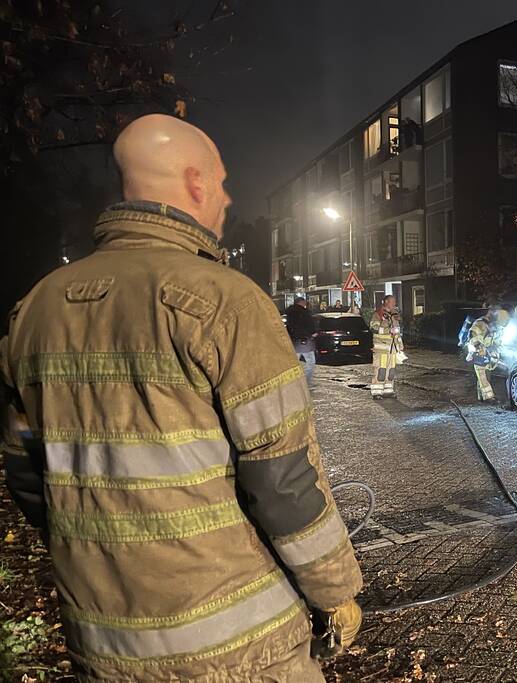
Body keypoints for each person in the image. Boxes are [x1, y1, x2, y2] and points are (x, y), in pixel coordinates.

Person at [0, 114, 362, 681]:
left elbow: (27, 476)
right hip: (240, 647)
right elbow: (281, 481)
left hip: (102, 644)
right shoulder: (223, 302)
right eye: (221, 182)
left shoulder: (33, 311)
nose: (227, 198)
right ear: (195, 182)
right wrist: (335, 591)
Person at [466, 307, 510, 402]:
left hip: (488, 354)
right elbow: (472, 336)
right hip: (479, 353)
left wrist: (496, 349)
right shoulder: (480, 324)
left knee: (485, 375)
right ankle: (489, 397)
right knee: (482, 375)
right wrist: (479, 348)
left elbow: (497, 341)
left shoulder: (496, 327)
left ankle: (481, 397)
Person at [370, 295, 403, 398]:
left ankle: (388, 390)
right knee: (381, 370)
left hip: (393, 348)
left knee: (391, 371)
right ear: (386, 302)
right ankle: (377, 392)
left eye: (395, 301)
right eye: (392, 301)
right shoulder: (378, 314)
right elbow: (374, 328)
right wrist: (388, 330)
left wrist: (400, 344)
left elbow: (397, 331)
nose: (394, 303)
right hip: (382, 348)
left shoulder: (394, 315)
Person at [286, 296, 317, 385]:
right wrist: (313, 333)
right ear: (301, 303)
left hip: (294, 341)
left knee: (293, 363)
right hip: (304, 341)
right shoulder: (304, 312)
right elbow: (310, 324)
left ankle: (292, 382)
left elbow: (289, 327)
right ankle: (305, 382)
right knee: (311, 362)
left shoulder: (290, 313)